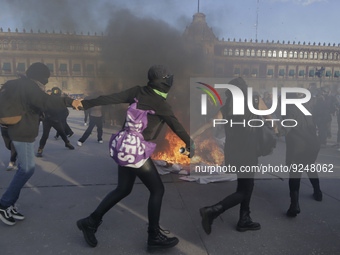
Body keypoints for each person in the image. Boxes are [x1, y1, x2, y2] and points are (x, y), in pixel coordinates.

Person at [75, 65, 194, 250]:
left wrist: (86, 103)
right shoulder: (160, 103)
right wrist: (190, 144)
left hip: (124, 144)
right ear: (163, 81)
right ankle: (153, 236)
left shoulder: (138, 91)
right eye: (168, 77)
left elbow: (110, 98)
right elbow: (177, 127)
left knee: (123, 189)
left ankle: (90, 222)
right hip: (136, 151)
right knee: (157, 190)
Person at [0, 62, 80, 226]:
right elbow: (46, 102)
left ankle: (10, 203)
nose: (47, 82)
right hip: (21, 130)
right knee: (27, 169)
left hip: (14, 129)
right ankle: (4, 204)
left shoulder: (17, 84)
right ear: (39, 77)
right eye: (45, 78)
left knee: (24, 168)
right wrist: (70, 101)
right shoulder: (30, 86)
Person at [192, 77, 274, 235]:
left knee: (244, 185)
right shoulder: (255, 100)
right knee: (246, 189)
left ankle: (244, 219)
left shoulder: (227, 106)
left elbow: (210, 123)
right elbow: (270, 120)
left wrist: (191, 136)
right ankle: (213, 211)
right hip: (249, 150)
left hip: (233, 151)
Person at [283, 93, 322, 217]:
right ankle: (318, 192)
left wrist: (276, 132)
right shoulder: (306, 109)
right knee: (310, 166)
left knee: (294, 173)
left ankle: (294, 205)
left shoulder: (290, 110)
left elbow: (288, 126)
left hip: (298, 146)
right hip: (312, 144)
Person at [36, 87, 75, 157]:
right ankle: (67, 143)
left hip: (49, 119)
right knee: (61, 133)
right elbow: (65, 111)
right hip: (52, 119)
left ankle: (40, 149)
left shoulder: (47, 99)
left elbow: (40, 108)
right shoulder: (59, 100)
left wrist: (41, 114)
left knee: (47, 135)